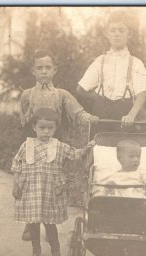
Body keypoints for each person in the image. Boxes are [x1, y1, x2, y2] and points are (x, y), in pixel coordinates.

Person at [19, 49, 99, 241]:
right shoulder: (27, 95)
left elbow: (77, 112)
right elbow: (23, 122)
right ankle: (31, 225)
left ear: (55, 70)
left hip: (54, 143)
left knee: (53, 185)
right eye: (40, 68)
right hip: (33, 143)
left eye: (48, 67)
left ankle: (50, 225)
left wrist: (90, 118)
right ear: (33, 71)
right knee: (32, 185)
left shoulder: (61, 94)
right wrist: (28, 115)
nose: (44, 71)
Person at [11, 108, 94, 256]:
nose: (46, 132)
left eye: (50, 128)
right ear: (34, 127)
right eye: (42, 128)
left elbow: (75, 154)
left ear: (55, 129)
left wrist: (87, 148)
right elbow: (17, 165)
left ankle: (56, 252)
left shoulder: (59, 146)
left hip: (51, 192)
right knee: (34, 223)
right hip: (31, 190)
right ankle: (36, 249)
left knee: (50, 225)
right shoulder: (27, 146)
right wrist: (16, 184)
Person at [77, 11, 146, 134]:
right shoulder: (100, 60)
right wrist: (97, 99)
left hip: (124, 115)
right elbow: (81, 89)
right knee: (99, 149)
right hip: (100, 115)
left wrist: (131, 115)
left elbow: (141, 95)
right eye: (113, 30)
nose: (117, 34)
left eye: (121, 30)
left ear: (129, 34)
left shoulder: (135, 63)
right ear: (107, 34)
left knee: (123, 150)